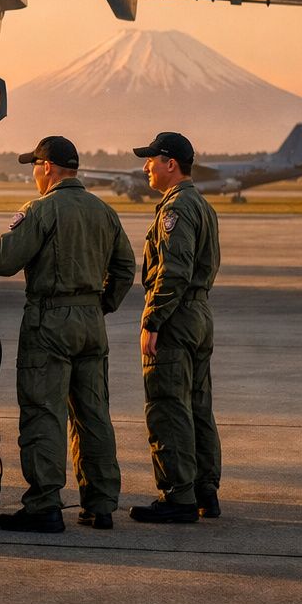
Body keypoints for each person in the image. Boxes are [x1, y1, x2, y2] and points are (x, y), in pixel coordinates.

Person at [0, 135, 135, 533]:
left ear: (47, 167)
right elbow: (124, 268)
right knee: (93, 414)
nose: (34, 174)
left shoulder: (41, 209)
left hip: (50, 321)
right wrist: (99, 306)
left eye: (35, 166)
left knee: (43, 412)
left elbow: (3, 260)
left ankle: (44, 505)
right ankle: (100, 504)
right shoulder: (104, 210)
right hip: (90, 321)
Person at [127, 131, 222, 523]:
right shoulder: (201, 204)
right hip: (198, 314)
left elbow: (174, 271)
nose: (146, 166)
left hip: (176, 316)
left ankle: (178, 496)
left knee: (168, 405)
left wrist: (153, 320)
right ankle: (204, 491)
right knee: (198, 406)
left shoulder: (176, 209)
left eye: (151, 159)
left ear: (171, 164)